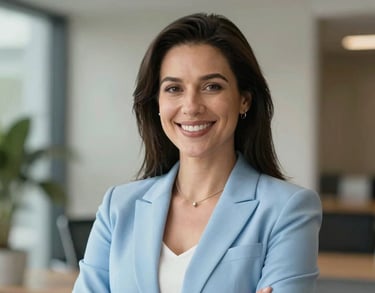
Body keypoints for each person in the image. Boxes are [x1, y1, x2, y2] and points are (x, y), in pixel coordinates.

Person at [73, 13, 322, 293]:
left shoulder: (288, 209)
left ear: (244, 100)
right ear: (156, 102)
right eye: (174, 88)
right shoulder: (118, 207)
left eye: (211, 86)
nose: (191, 106)